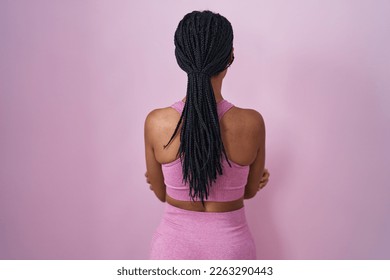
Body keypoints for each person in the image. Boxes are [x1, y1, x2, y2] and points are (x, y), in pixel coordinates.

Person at [144, 10, 269, 260]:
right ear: (230, 56)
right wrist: (252, 181)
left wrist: (162, 179)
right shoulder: (252, 123)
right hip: (232, 251)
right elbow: (249, 191)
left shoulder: (156, 123)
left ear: (181, 58)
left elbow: (161, 194)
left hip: (171, 251)